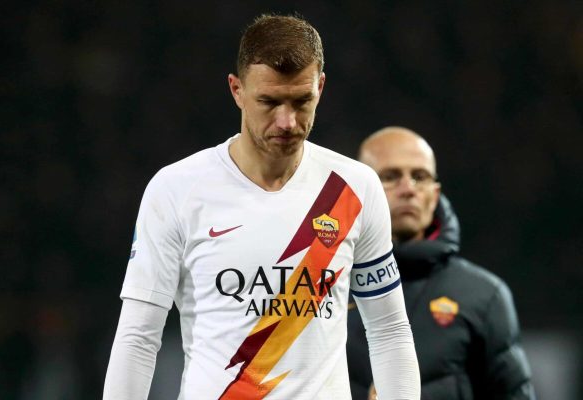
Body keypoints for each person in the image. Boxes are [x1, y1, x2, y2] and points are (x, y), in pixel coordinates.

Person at [103, 15, 420, 400]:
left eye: (302, 101)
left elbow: (389, 330)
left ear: (320, 86)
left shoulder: (354, 188)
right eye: (268, 102)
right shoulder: (176, 190)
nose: (287, 122)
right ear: (236, 90)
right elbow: (138, 337)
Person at [347, 126, 535, 400]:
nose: (408, 189)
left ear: (434, 195)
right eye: (390, 176)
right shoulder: (321, 282)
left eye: (419, 177)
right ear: (358, 190)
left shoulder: (483, 296)